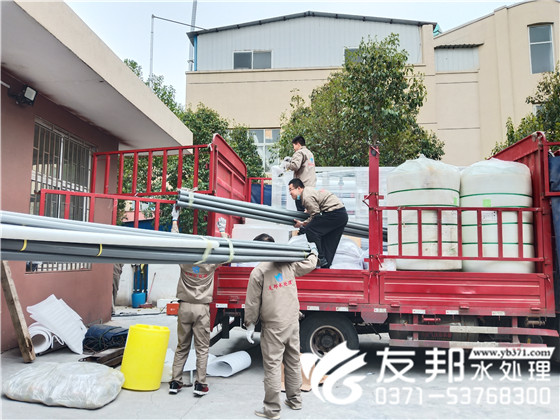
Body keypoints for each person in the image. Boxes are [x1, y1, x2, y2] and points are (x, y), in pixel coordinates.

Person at [244, 234, 318, 420]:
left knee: (272, 366)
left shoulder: (258, 272)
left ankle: (272, 410)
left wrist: (250, 324)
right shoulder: (288, 264)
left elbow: (252, 302)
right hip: (292, 321)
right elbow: (310, 264)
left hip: (274, 326)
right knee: (293, 361)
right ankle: (295, 400)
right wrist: (313, 252)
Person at [169, 205, 228, 397]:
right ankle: (200, 384)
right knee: (202, 348)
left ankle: (175, 381)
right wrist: (222, 231)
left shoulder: (185, 261)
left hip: (184, 307)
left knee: (182, 346)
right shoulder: (210, 264)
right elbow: (228, 253)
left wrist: (175, 220)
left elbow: (173, 242)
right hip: (202, 309)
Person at [288, 178, 348, 269]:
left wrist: (302, 224)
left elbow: (315, 215)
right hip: (341, 215)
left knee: (310, 230)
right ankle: (325, 267)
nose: (290, 193)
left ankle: (319, 257)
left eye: (291, 189)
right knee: (328, 245)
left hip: (334, 214)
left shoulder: (306, 197)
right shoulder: (309, 191)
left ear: (299, 188)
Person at [282, 135, 316, 212]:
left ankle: (301, 220)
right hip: (311, 188)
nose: (294, 148)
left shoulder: (299, 152)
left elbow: (295, 166)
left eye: (294, 146)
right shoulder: (309, 153)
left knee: (301, 211)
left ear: (298, 144)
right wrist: (291, 160)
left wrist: (285, 165)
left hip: (301, 189)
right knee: (308, 211)